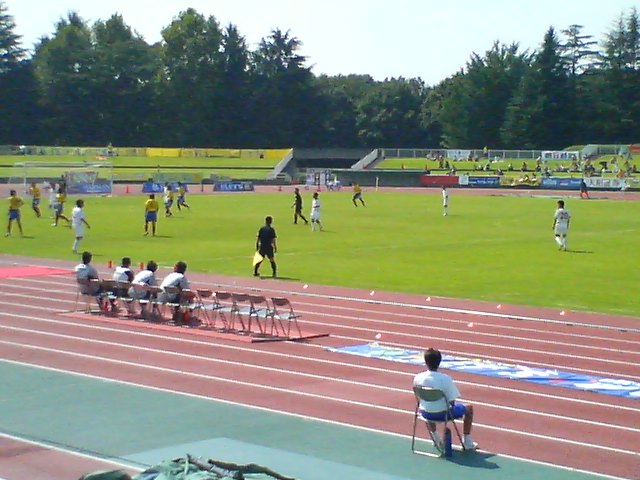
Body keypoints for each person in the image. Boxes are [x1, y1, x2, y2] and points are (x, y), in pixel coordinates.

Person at [413, 348, 477, 451]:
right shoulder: (445, 379)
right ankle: (467, 442)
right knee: (469, 408)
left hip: (425, 413)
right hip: (444, 414)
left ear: (425, 361)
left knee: (429, 404)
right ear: (439, 362)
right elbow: (452, 402)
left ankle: (436, 438)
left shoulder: (417, 378)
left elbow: (420, 397)